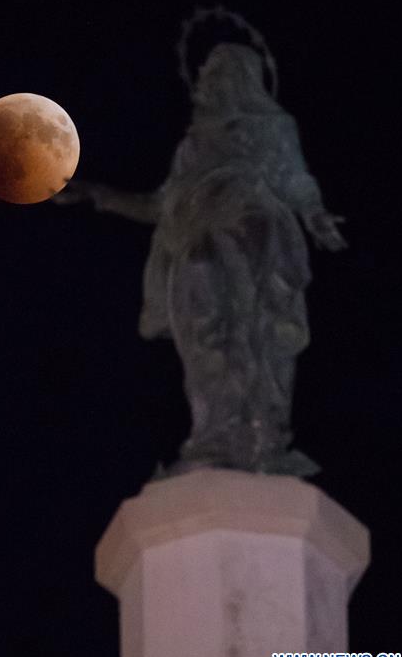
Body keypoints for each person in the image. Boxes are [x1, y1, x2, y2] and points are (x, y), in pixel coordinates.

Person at [54, 30, 346, 476]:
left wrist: (316, 214)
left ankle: (263, 434)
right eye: (205, 73)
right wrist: (99, 194)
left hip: (255, 233)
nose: (206, 83)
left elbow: (295, 179)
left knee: (257, 333)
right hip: (197, 239)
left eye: (216, 74)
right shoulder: (194, 145)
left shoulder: (270, 127)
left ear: (239, 78)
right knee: (203, 335)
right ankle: (216, 433)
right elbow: (162, 203)